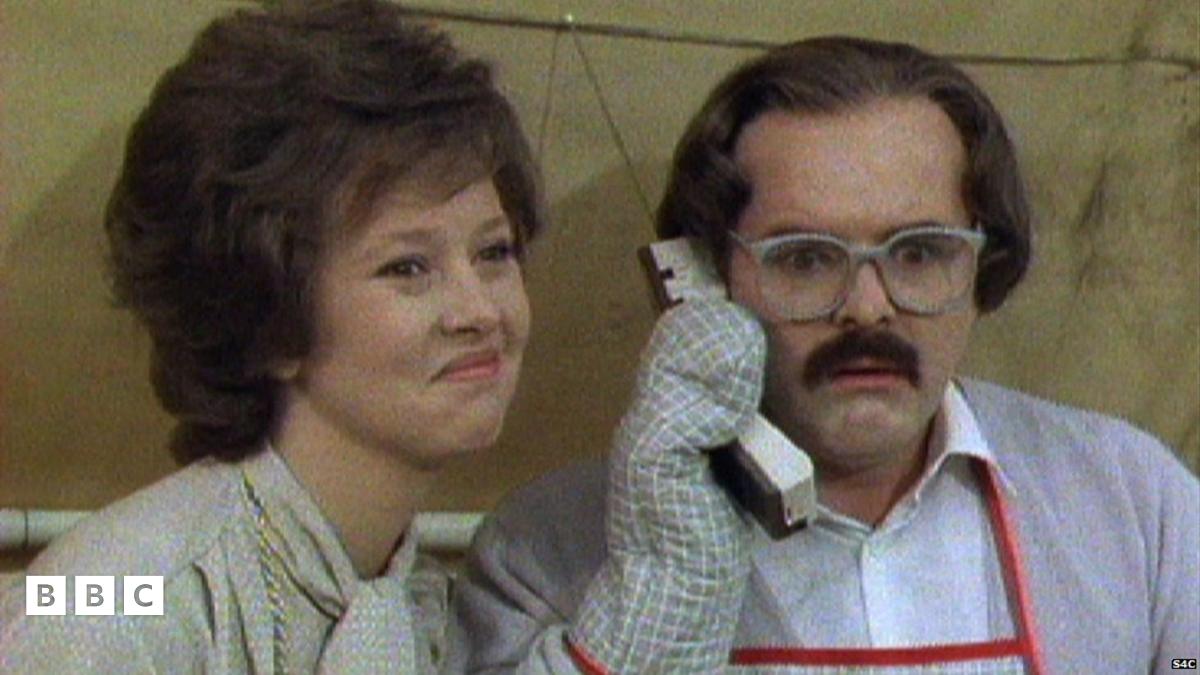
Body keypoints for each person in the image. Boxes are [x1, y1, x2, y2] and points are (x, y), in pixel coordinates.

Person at [450, 36, 1200, 673]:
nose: (868, 306)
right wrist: (656, 592)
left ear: (984, 267)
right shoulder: (546, 551)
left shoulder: (1135, 503)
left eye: (920, 252)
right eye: (805, 258)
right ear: (704, 279)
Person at [0, 1, 545, 672]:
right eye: (407, 267)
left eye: (494, 253)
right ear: (267, 313)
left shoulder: (418, 598)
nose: (481, 311)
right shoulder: (114, 599)